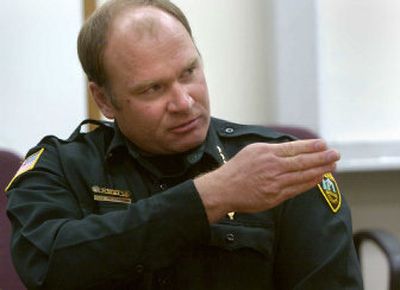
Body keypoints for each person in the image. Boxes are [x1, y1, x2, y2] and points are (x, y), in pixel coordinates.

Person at [6, 0, 363, 289]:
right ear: (104, 99)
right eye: (153, 89)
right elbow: (48, 267)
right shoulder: (61, 167)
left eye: (188, 73)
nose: (184, 102)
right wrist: (210, 196)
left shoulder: (279, 166)